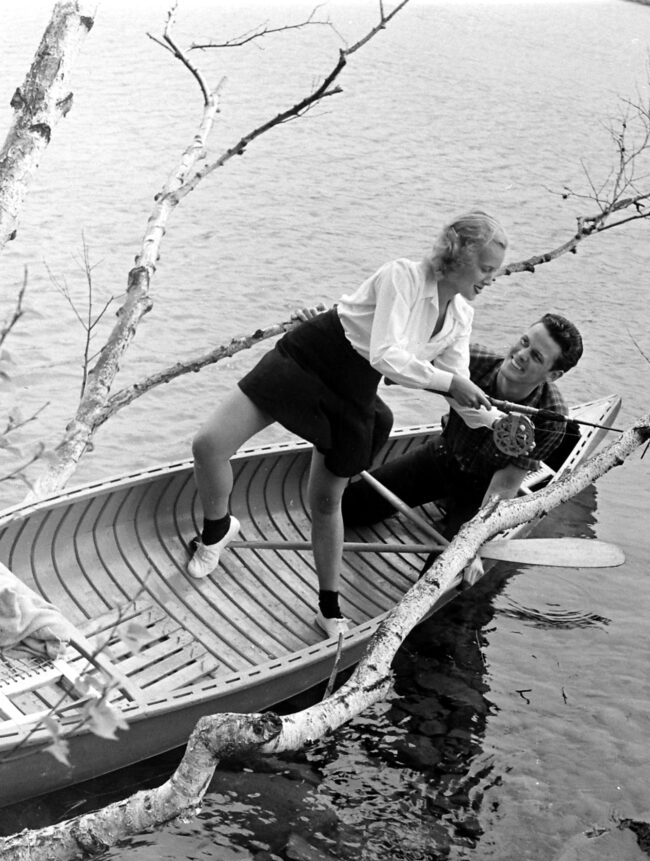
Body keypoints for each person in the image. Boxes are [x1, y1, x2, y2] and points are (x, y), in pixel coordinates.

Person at [187, 211, 508, 640]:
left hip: (354, 390)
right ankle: (217, 529)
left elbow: (460, 391)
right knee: (208, 445)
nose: (490, 279)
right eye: (486, 268)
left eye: (494, 272)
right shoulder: (402, 276)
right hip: (312, 356)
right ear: (460, 255)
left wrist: (501, 425)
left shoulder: (459, 318)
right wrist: (454, 383)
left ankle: (328, 606)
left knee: (324, 503)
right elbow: (387, 356)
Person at [341, 312, 584, 577]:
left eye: (536, 356)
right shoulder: (470, 361)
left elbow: (504, 486)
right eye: (524, 342)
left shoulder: (551, 416)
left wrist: (476, 543)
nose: (522, 354)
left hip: (481, 491)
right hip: (441, 456)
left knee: (439, 575)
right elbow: (400, 363)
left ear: (554, 375)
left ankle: (455, 529)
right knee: (347, 507)